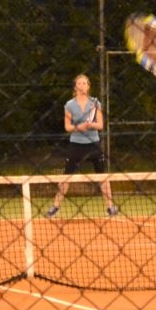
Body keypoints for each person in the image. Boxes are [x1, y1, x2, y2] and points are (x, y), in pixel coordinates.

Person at [45, 73, 119, 218]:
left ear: (88, 86)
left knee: (103, 177)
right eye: (79, 83)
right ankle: (55, 207)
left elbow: (100, 125)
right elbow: (67, 127)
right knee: (66, 177)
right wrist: (78, 127)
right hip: (76, 146)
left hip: (94, 145)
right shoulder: (69, 105)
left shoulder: (95, 103)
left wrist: (90, 125)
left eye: (84, 83)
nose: (82, 86)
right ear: (75, 87)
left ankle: (110, 207)